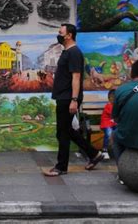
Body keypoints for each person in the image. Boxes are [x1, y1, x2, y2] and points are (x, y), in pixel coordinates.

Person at [43, 23, 104, 177]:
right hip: (63, 96)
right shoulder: (67, 52)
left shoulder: (74, 53)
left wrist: (74, 100)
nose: (58, 34)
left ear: (69, 35)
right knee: (67, 130)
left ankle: (61, 167)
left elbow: (76, 77)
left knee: (62, 132)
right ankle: (94, 154)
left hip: (68, 98)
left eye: (60, 32)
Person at [100, 89, 116, 160]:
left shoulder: (116, 106)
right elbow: (114, 114)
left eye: (115, 98)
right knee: (109, 134)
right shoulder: (108, 106)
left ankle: (117, 149)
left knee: (120, 132)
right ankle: (104, 150)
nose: (113, 100)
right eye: (112, 98)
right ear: (109, 98)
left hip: (114, 124)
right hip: (106, 124)